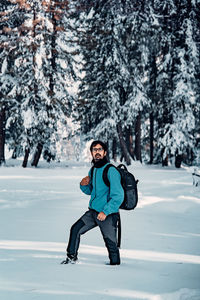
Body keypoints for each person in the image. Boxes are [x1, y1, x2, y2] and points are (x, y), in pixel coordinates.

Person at [61, 140, 124, 265]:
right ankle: (71, 258)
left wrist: (105, 211)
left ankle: (116, 268)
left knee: (111, 245)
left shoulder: (111, 171)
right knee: (75, 229)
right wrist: (83, 185)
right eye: (94, 150)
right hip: (93, 213)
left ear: (105, 152)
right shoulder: (93, 170)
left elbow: (118, 196)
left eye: (100, 149)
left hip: (107, 215)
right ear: (91, 153)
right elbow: (92, 191)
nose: (97, 152)